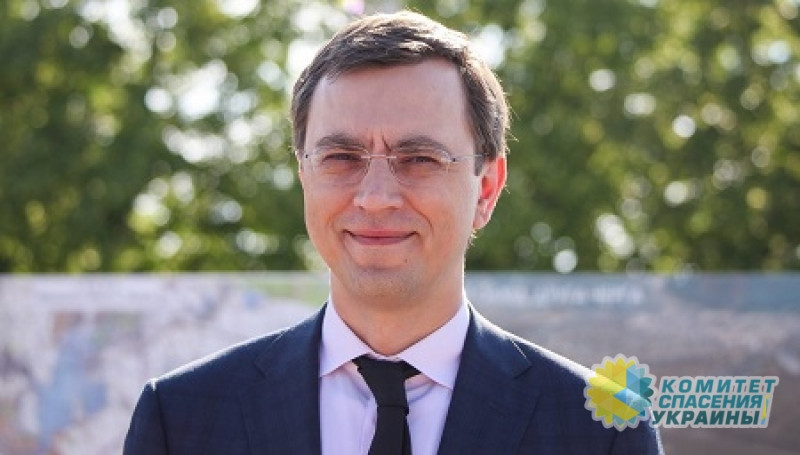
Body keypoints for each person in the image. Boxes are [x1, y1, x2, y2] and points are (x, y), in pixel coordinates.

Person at [124, 11, 663, 454]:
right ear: (304, 175)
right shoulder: (182, 418)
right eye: (341, 157)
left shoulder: (598, 431)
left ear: (486, 188)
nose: (375, 196)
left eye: (420, 158)